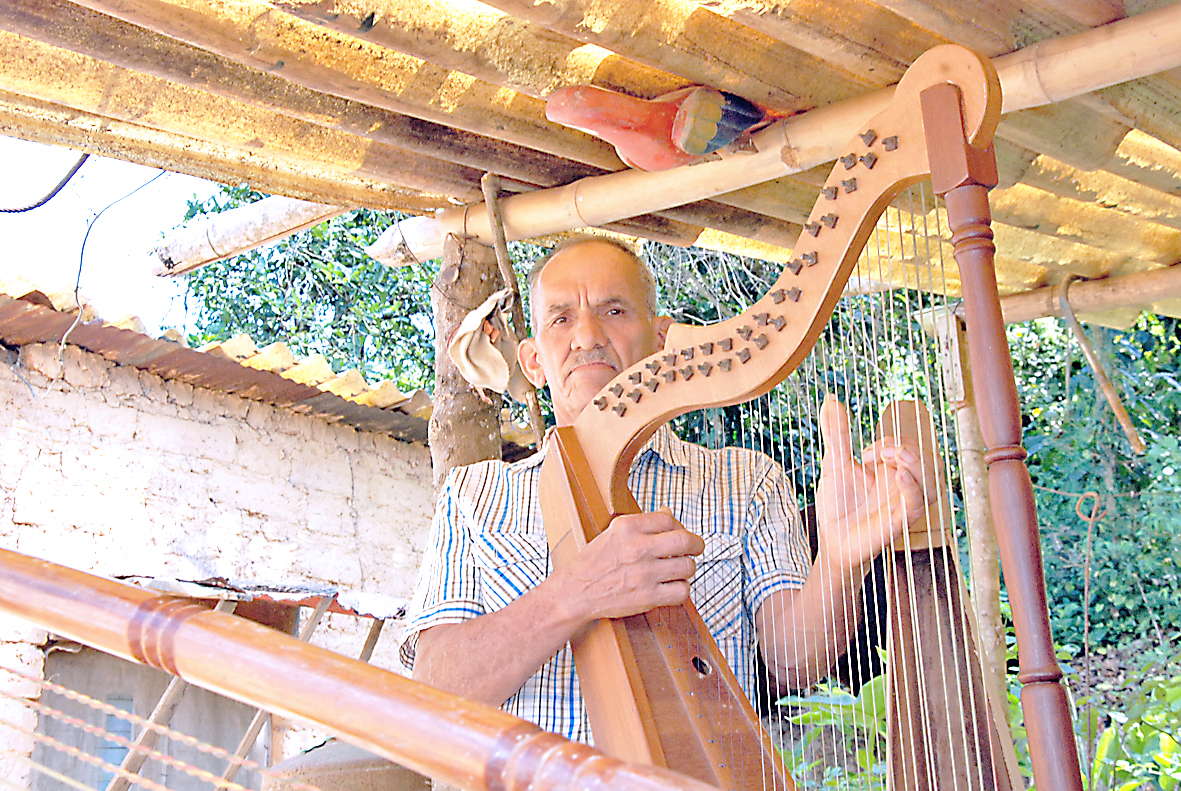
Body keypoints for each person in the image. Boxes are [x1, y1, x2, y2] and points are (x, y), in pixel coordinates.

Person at [398, 237, 937, 743]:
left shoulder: (745, 482)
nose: (586, 335)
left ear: (659, 342)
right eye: (561, 318)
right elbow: (434, 690)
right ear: (534, 362)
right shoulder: (474, 493)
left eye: (613, 310)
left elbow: (794, 663)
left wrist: (840, 560)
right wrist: (577, 592)